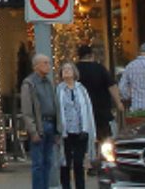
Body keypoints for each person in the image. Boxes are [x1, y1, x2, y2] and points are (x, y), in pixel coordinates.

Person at [72, 44, 121, 164]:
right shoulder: (100, 68)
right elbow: (112, 86)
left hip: (81, 110)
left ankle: (87, 162)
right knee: (104, 137)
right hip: (101, 109)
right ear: (92, 55)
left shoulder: (74, 69)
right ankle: (102, 159)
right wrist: (118, 102)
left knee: (84, 137)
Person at [54, 62, 97, 189]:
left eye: (69, 69)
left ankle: (80, 186)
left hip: (80, 131)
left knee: (79, 163)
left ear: (74, 73)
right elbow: (56, 110)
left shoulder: (81, 90)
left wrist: (87, 128)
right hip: (66, 132)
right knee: (65, 163)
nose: (66, 71)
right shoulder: (59, 90)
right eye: (64, 69)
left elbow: (87, 109)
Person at [20, 54, 58, 189]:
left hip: (51, 125)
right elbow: (27, 110)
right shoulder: (29, 84)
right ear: (36, 66)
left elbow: (55, 105)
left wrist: (57, 130)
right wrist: (33, 130)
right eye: (45, 63)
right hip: (39, 125)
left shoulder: (49, 83)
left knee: (48, 161)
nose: (48, 66)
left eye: (49, 63)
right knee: (38, 163)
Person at [117, 43, 145, 115]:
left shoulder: (130, 66)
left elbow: (121, 88)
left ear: (140, 53)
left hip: (135, 108)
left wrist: (128, 96)